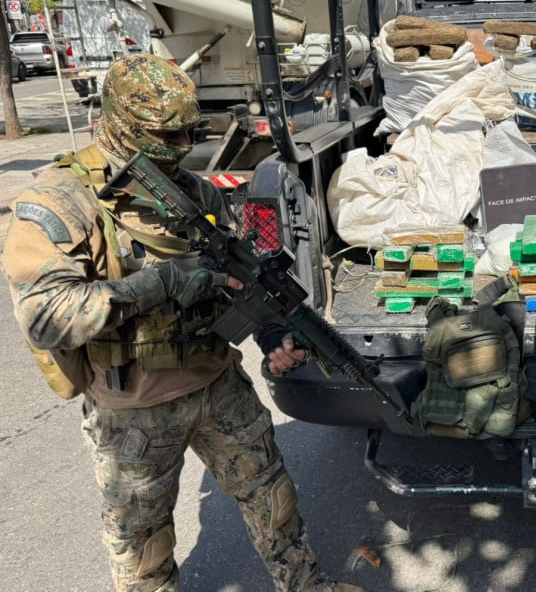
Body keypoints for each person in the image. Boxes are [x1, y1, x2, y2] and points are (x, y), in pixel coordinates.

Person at [1, 54, 362, 592]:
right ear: (120, 122)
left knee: (273, 498)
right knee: (142, 545)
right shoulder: (61, 198)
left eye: (186, 133)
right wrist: (161, 283)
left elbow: (239, 282)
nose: (179, 145)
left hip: (218, 383)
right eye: (164, 135)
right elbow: (45, 318)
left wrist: (270, 335)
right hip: (133, 411)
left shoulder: (198, 193)